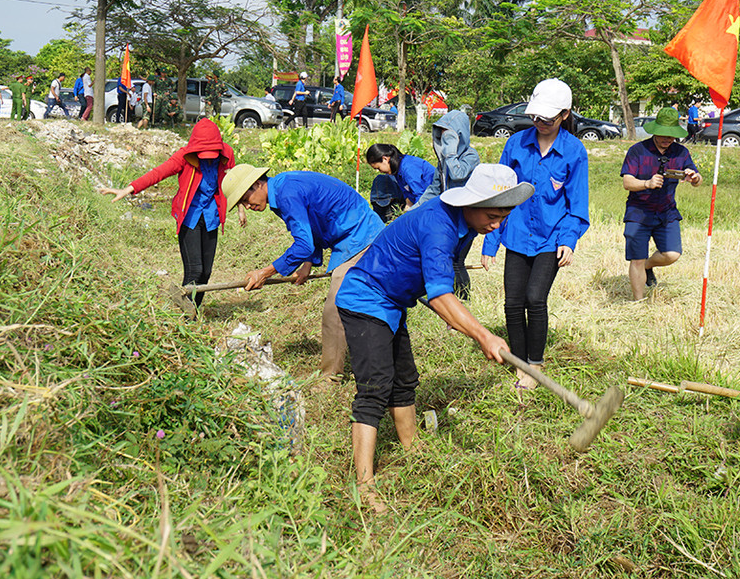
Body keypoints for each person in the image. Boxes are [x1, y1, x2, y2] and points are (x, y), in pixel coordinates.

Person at [335, 164, 533, 511]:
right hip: (365, 299)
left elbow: (432, 280)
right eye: (492, 215)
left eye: (503, 216)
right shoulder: (438, 225)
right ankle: (364, 487)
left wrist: (454, 315)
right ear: (470, 204)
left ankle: (412, 449)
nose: (496, 224)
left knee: (405, 379)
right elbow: (441, 294)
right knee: (375, 387)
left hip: (393, 302)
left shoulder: (467, 225)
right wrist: (482, 334)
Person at [225, 165, 384, 378]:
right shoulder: (280, 189)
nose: (248, 206)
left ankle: (330, 377)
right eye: (243, 204)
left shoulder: (286, 193)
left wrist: (265, 272)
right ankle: (370, 357)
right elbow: (313, 225)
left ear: (256, 184)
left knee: (337, 307)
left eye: (246, 199)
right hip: (349, 236)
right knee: (357, 303)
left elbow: (303, 244)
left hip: (361, 236)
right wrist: (307, 265)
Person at [481, 78, 590, 388]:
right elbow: (499, 196)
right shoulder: (515, 144)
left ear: (565, 115)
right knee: (513, 302)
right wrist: (491, 241)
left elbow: (578, 204)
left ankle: (535, 363)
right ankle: (519, 360)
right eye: (536, 117)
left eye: (548, 118)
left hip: (551, 237)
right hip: (516, 233)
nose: (540, 123)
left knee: (534, 298)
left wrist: (569, 239)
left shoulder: (574, 152)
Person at [99, 118, 236, 309]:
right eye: (204, 154)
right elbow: (158, 173)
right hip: (190, 216)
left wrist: (241, 207)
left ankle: (193, 311)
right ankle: (185, 316)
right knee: (194, 271)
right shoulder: (184, 157)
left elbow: (233, 182)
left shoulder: (226, 154)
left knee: (206, 272)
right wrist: (129, 189)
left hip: (212, 216)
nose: (208, 158)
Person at [620, 106, 702, 301]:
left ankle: (649, 266)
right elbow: (627, 182)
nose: (667, 139)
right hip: (638, 212)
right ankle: (638, 301)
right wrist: (646, 183)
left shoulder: (681, 153)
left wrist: (694, 177)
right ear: (655, 130)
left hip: (666, 212)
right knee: (636, 259)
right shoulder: (637, 151)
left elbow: (696, 179)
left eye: (671, 135)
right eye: (663, 134)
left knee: (672, 254)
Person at [413, 109, 481, 299]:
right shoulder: (442, 163)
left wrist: (450, 153)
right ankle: (448, 299)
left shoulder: (471, 156)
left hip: (466, 218)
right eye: (442, 137)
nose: (445, 141)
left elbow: (459, 174)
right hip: (448, 218)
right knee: (447, 258)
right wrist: (415, 209)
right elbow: (435, 188)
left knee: (458, 261)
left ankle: (463, 300)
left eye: (449, 136)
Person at [365, 143, 433, 222]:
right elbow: (408, 195)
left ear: (385, 159)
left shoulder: (408, 167)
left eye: (378, 168)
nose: (380, 171)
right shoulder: (397, 170)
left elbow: (421, 197)